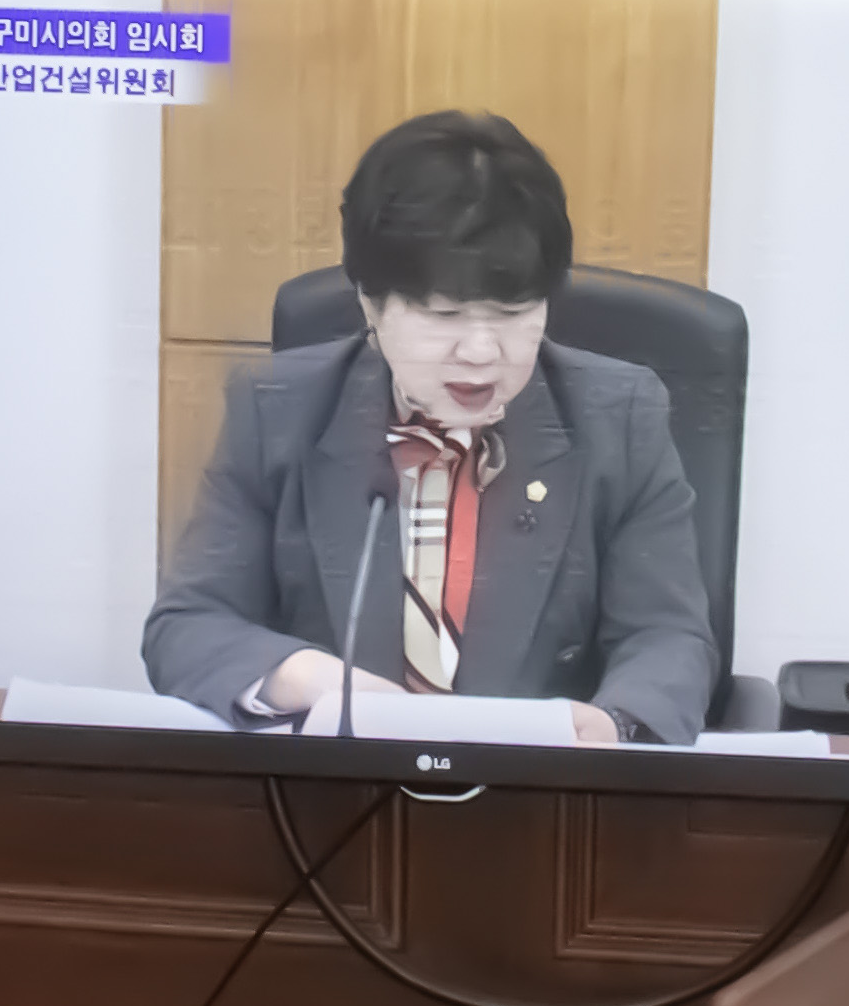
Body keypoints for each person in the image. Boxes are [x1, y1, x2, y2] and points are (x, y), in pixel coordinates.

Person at [141, 112, 717, 747]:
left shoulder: (618, 418)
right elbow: (189, 625)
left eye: (513, 313)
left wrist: (615, 724)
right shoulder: (278, 409)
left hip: (540, 793)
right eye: (444, 316)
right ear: (370, 304)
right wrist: (309, 679)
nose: (480, 352)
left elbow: (668, 638)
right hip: (333, 789)